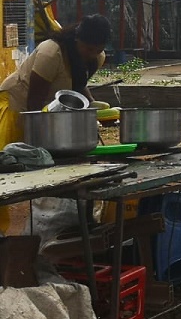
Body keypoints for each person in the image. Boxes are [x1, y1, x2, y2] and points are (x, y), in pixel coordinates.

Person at [0, 13, 111, 231]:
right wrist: (41, 143)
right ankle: (2, 229)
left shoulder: (96, 57)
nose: (92, 55)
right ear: (77, 39)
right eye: (88, 49)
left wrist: (94, 109)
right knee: (7, 169)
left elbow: (78, 86)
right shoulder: (51, 52)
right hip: (16, 105)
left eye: (96, 50)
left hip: (44, 105)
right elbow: (34, 104)